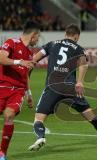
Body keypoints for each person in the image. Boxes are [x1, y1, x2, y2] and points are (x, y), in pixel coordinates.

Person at [28, 24, 97, 151]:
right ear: (76, 36)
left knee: (39, 119)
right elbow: (83, 64)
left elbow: (34, 59)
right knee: (92, 118)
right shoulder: (78, 48)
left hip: (53, 86)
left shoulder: (51, 44)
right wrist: (79, 82)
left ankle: (41, 137)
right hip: (70, 88)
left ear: (65, 33)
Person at [0, 21, 40, 159]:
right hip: (2, 87)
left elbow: (26, 76)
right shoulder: (12, 42)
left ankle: (2, 153)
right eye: (38, 37)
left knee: (9, 114)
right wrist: (19, 61)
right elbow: (1, 58)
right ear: (33, 35)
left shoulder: (29, 54)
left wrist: (29, 94)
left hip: (18, 91)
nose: (38, 40)